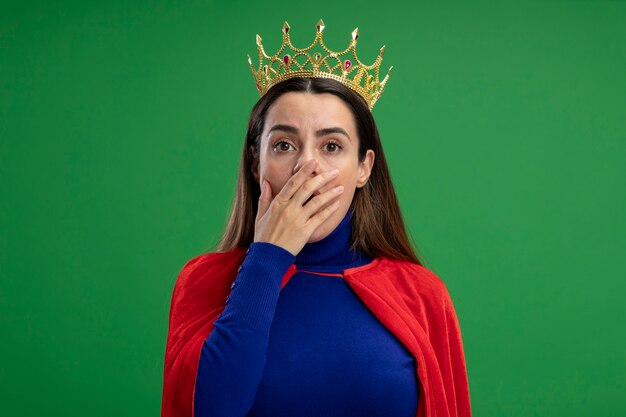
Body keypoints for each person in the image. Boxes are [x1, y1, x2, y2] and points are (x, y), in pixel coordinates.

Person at [162, 20, 471, 417]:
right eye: (285, 144)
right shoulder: (203, 283)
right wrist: (268, 257)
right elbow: (210, 409)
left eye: (331, 146)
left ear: (363, 168)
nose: (306, 166)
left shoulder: (423, 296)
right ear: (256, 162)